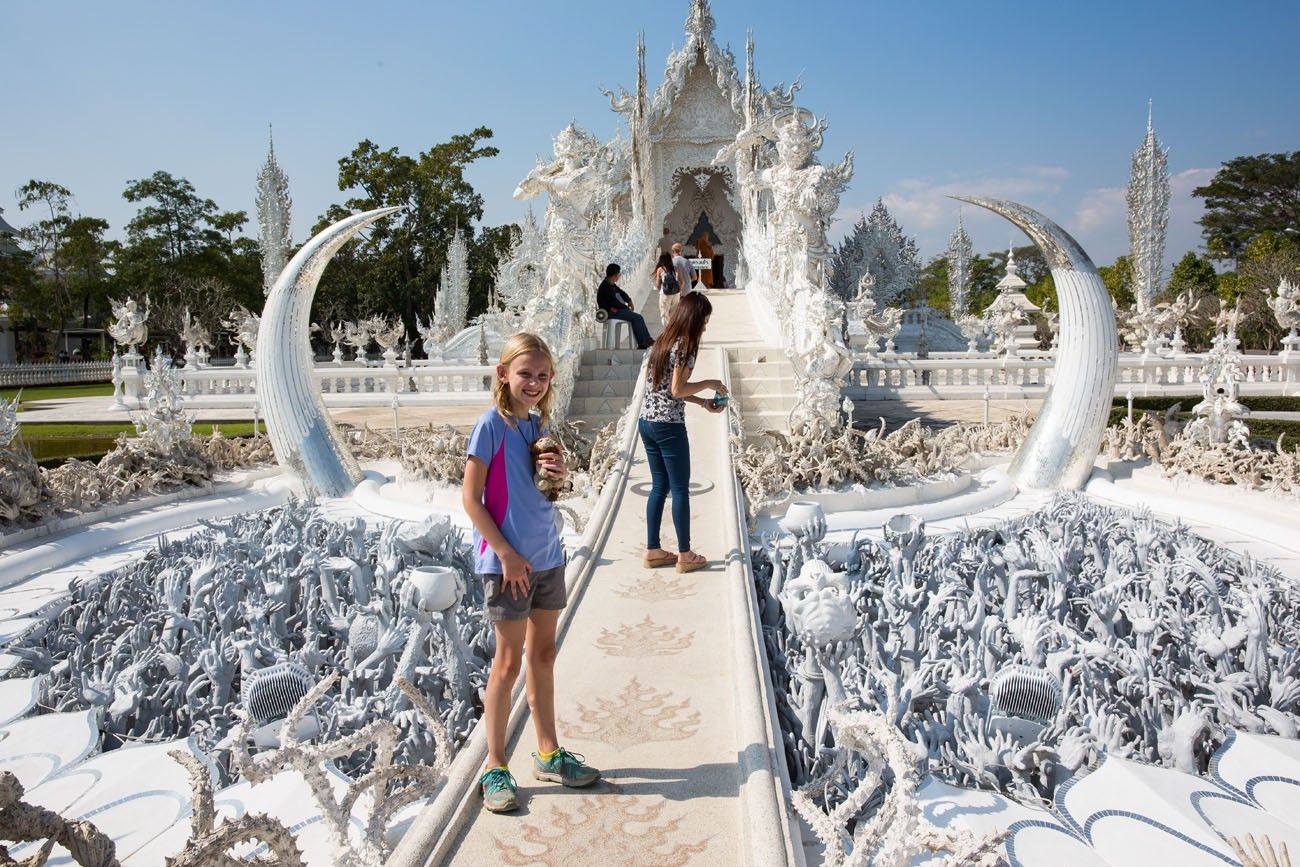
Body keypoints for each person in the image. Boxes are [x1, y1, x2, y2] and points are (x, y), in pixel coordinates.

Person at [462, 333, 601, 813]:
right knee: (507, 663)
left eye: (543, 376)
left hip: (546, 556)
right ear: (503, 374)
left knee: (543, 656)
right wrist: (504, 553)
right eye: (525, 374)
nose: (535, 383)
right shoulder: (490, 426)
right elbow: (471, 501)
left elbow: (537, 495)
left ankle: (548, 753)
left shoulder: (536, 425)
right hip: (508, 564)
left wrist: (555, 479)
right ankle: (495, 766)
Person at [638, 293, 727, 574]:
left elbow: (666, 389)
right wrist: (710, 382)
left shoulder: (661, 344)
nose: (705, 327)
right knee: (679, 489)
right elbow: (677, 390)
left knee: (658, 486)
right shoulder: (686, 345)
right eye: (704, 320)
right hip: (668, 426)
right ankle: (685, 554)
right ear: (695, 318)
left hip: (647, 422)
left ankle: (653, 550)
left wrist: (701, 403)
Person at [595, 262, 653, 349]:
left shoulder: (611, 285)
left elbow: (621, 293)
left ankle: (647, 340)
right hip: (610, 312)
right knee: (636, 318)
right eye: (618, 274)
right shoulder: (606, 287)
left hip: (616, 310)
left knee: (639, 317)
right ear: (615, 275)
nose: (619, 276)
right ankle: (642, 342)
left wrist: (629, 300)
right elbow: (613, 302)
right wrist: (626, 307)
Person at [653, 252, 680, 327]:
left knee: (664, 314)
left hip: (665, 294)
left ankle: (667, 333)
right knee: (673, 314)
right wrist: (678, 290)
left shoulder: (660, 269)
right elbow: (682, 281)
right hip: (676, 294)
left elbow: (658, 284)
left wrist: (659, 289)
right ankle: (673, 331)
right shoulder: (675, 268)